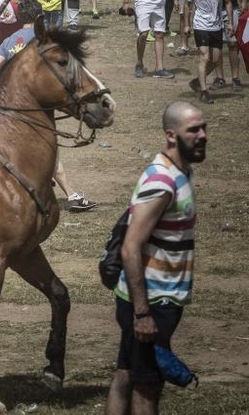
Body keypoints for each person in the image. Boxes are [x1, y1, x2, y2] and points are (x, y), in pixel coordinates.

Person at [105, 101, 205, 415]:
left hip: (153, 298)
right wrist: (142, 313)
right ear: (171, 136)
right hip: (152, 300)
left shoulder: (179, 171)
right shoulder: (161, 183)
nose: (202, 135)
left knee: (126, 374)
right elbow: (130, 248)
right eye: (193, 130)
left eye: (203, 128)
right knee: (147, 387)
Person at [0, 0, 97, 212]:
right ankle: (70, 195)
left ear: (19, 18)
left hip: (9, 105)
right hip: (35, 105)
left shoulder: (10, 40)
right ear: (38, 18)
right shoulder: (43, 42)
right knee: (44, 150)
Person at [184, 0, 234, 104]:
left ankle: (197, 81)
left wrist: (230, 22)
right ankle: (204, 91)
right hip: (200, 24)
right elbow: (187, 4)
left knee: (216, 60)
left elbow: (228, 2)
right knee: (204, 56)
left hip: (216, 25)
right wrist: (187, 24)